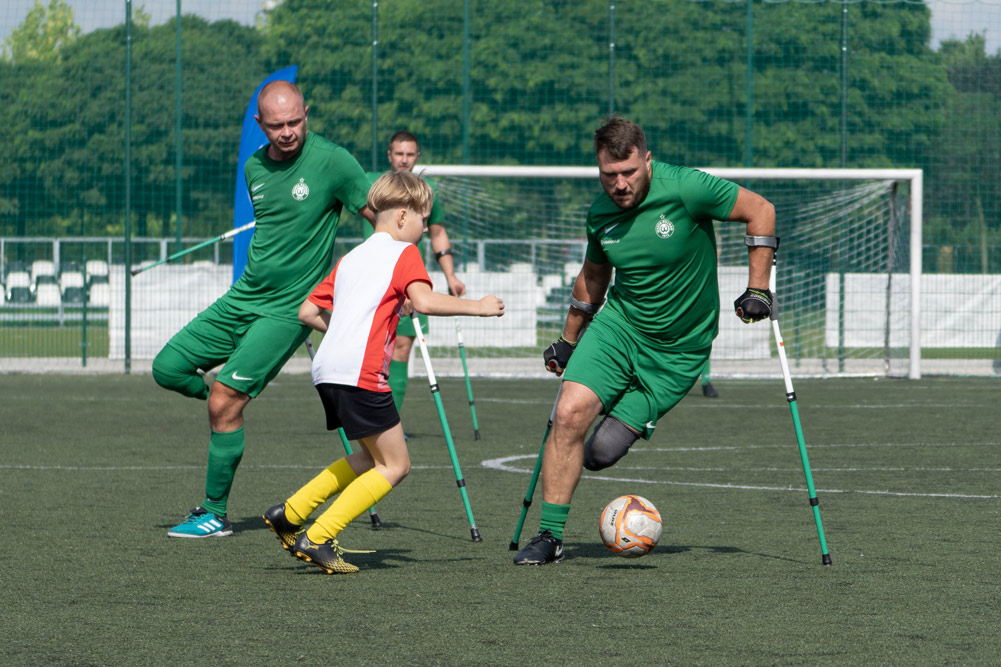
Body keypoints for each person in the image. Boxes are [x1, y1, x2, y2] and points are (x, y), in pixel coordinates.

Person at [513, 117, 776, 565]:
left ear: (647, 160)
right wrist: (568, 340)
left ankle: (624, 421)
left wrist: (757, 287)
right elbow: (593, 277)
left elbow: (761, 210)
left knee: (601, 453)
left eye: (628, 172)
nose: (619, 184)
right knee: (568, 414)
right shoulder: (599, 214)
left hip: (678, 351)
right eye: (608, 174)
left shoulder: (686, 188)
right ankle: (550, 536)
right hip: (620, 327)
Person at [153, 80, 375, 538]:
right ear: (261, 125)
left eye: (295, 121)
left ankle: (214, 512)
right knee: (167, 368)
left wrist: (377, 280)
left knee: (222, 401)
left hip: (288, 310)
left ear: (306, 113)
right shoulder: (254, 165)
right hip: (243, 298)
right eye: (277, 125)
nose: (288, 132)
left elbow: (381, 220)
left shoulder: (334, 161)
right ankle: (229, 402)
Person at [261, 171, 504, 574]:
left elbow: (307, 311)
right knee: (395, 465)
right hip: (360, 370)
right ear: (405, 215)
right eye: (424, 221)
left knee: (368, 458)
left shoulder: (352, 258)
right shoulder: (403, 253)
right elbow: (423, 302)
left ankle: (289, 514)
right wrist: (479, 306)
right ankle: (319, 536)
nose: (425, 230)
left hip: (328, 368)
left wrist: (352, 326)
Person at [363, 131, 466, 416]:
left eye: (410, 154)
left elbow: (437, 232)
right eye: (399, 154)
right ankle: (365, 418)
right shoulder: (371, 183)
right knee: (370, 351)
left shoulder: (427, 189)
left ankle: (389, 420)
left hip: (407, 279)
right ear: (389, 155)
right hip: (374, 278)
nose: (404, 160)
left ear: (417, 157)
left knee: (401, 350)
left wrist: (451, 277)